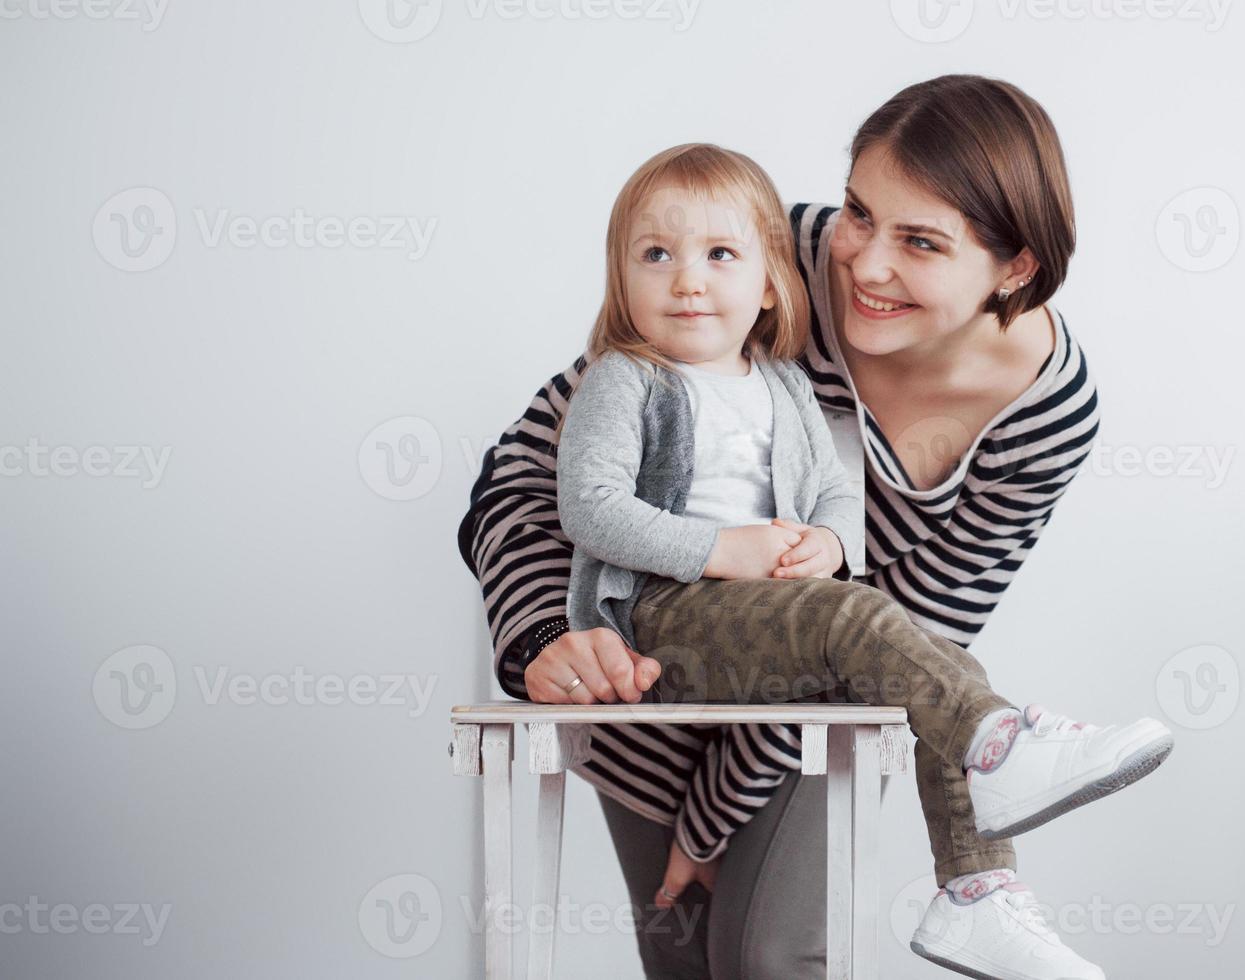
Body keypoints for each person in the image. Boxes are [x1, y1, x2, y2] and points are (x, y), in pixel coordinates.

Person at [456, 84, 1170, 978]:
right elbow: (531, 471)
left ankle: (980, 883)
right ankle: (996, 777)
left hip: (814, 698)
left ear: (1015, 267)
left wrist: (712, 813)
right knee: (683, 961)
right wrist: (539, 637)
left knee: (772, 954)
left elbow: (917, 633)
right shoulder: (753, 255)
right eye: (859, 212)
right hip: (632, 668)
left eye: (919, 242)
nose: (864, 265)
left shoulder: (1045, 415)